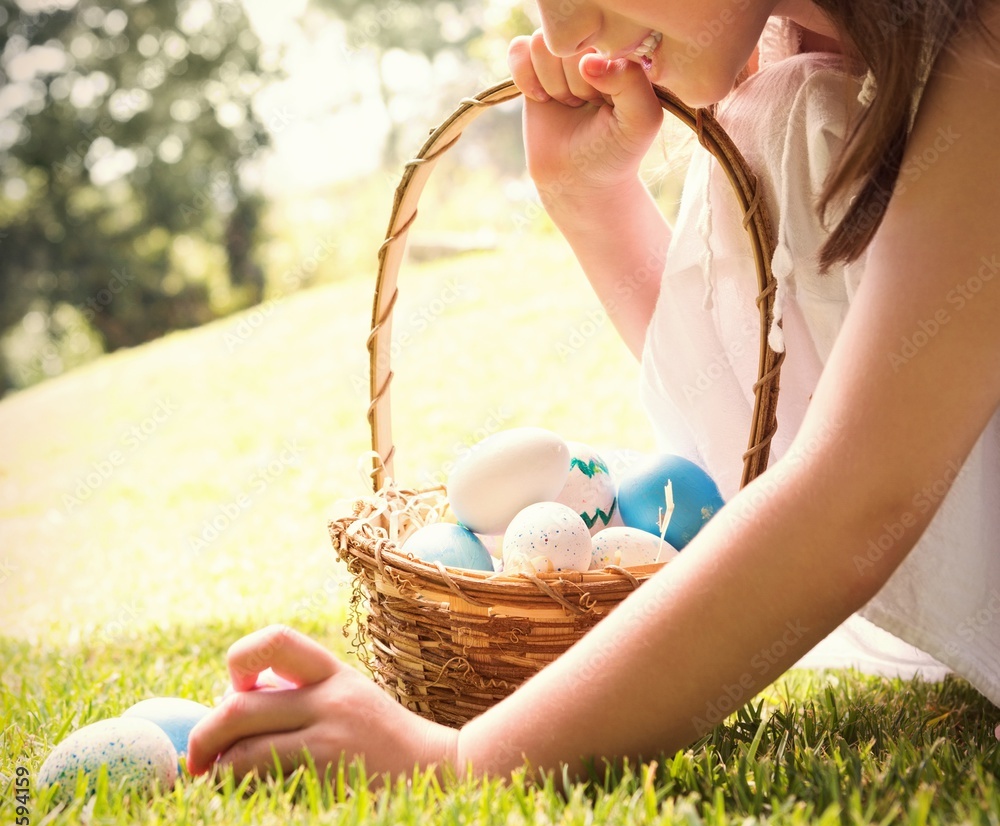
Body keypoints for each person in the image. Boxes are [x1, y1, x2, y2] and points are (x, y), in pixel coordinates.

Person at [187, 0, 1000, 783]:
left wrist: (460, 762)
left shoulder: (984, 49)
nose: (564, 32)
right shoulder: (802, 75)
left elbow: (861, 493)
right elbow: (774, 415)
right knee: (781, 113)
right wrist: (590, 199)